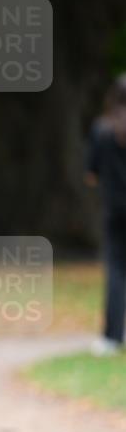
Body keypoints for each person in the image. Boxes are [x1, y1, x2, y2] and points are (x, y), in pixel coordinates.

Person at [85, 73, 126, 356]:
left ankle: (112, 337)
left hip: (114, 211)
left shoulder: (102, 130)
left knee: (116, 271)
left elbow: (91, 175)